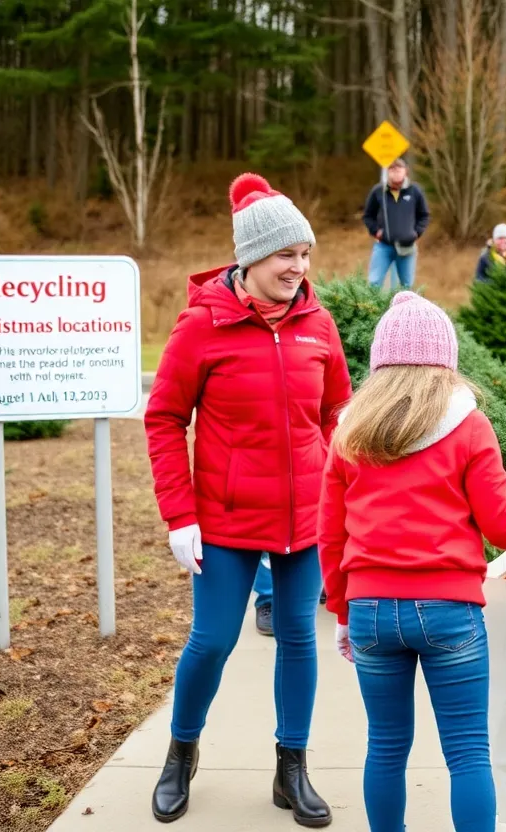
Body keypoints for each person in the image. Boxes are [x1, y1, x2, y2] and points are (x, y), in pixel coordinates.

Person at [145, 172, 352, 826]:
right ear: (252, 257)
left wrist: (343, 481)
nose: (300, 267)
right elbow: (164, 417)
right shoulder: (203, 326)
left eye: (305, 254)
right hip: (226, 522)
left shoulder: (319, 322)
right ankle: (181, 752)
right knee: (211, 640)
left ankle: (292, 769)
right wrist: (180, 514)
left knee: (298, 638)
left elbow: (337, 410)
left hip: (307, 520)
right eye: (287, 255)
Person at [318, 291, 506, 832]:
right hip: (449, 609)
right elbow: (503, 527)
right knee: (468, 752)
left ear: (381, 363)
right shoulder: (470, 427)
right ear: (445, 362)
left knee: (384, 746)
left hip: (371, 612)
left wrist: (342, 611)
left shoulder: (350, 433)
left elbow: (330, 537)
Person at [363, 158, 431, 290]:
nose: (396, 173)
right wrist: (375, 231)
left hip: (407, 247)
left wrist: (416, 233)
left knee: (406, 286)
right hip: (384, 246)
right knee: (374, 283)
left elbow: (424, 215)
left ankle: (405, 310)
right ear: (388, 172)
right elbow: (368, 215)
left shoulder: (414, 191)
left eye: (399, 169)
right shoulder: (379, 191)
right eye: (392, 170)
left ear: (406, 172)